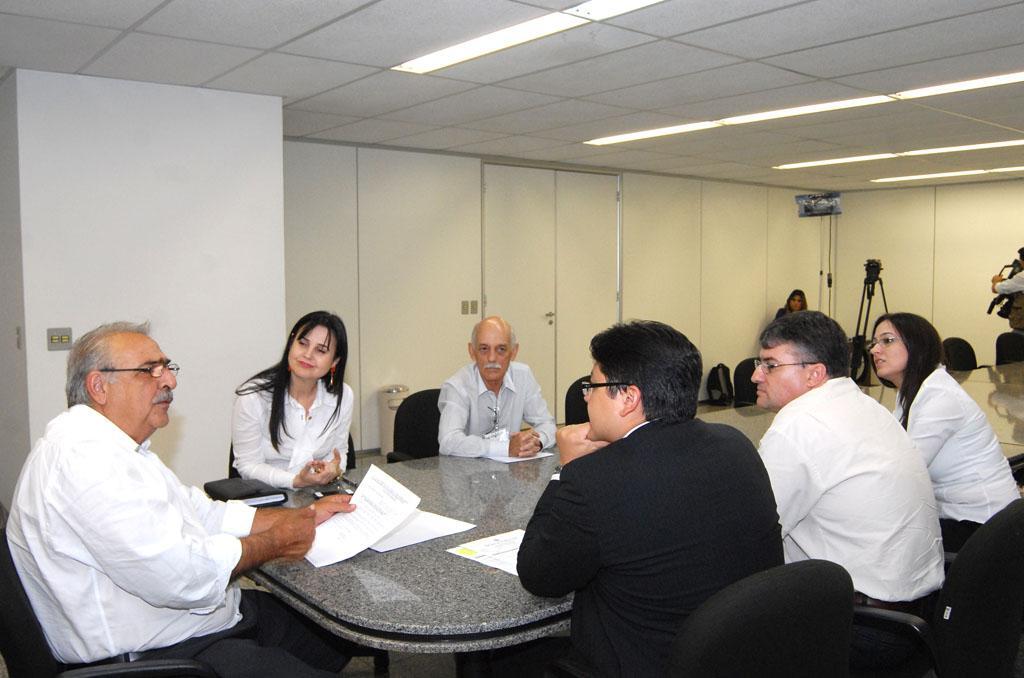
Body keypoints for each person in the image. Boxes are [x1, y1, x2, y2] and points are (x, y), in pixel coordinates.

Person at [6, 321, 359, 676]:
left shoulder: (115, 447)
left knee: (331, 629)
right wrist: (279, 540)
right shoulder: (86, 463)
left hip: (193, 622)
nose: (170, 381)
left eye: (167, 368)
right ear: (99, 386)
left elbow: (197, 510)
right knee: (319, 630)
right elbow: (184, 576)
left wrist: (306, 516)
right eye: (149, 371)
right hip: (160, 652)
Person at [518, 320, 783, 677]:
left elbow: (538, 575)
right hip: (738, 657)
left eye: (591, 386)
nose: (585, 398)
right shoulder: (736, 445)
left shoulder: (593, 479)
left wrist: (565, 470)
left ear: (628, 398)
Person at [752, 311, 944, 668]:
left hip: (862, 630)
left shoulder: (800, 425)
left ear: (815, 373)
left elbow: (754, 534)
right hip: (915, 619)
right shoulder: (865, 405)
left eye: (769, 365)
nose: (755, 375)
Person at [870, 312, 1019, 551]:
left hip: (984, 525)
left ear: (917, 344)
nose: (875, 350)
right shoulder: (911, 394)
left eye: (887, 341)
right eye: (874, 342)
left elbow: (904, 470)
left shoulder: (940, 397)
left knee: (879, 542)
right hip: (958, 517)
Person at [233, 311, 353, 488]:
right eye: (302, 343)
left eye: (321, 350)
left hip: (318, 492)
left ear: (335, 361)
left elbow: (339, 452)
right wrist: (296, 481)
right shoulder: (252, 397)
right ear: (291, 344)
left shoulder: (342, 396)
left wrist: (333, 469)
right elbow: (248, 465)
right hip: (269, 496)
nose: (308, 354)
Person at [438, 316, 556, 458]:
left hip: (512, 471)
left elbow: (547, 424)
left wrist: (535, 443)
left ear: (513, 352)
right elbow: (449, 441)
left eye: (501, 349)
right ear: (472, 351)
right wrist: (505, 448)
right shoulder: (457, 386)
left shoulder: (523, 376)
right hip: (468, 473)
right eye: (484, 349)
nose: (492, 358)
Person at [991, 247, 1024, 332]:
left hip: (1021, 329)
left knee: (1011, 341)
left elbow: (996, 289)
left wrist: (996, 281)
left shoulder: (1021, 277)